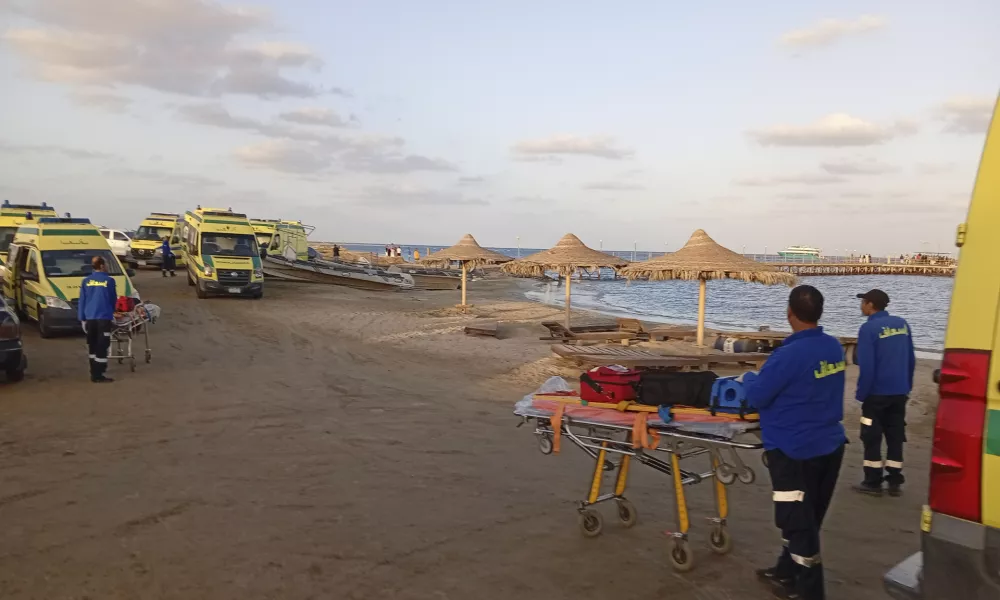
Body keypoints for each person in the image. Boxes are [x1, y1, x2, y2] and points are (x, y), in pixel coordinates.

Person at [742, 285, 846, 600]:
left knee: (797, 523)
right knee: (806, 517)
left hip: (794, 449)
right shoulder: (833, 347)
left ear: (790, 314)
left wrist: (748, 378)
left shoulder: (789, 354)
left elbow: (758, 396)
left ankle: (810, 590)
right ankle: (786, 572)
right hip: (829, 445)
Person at [854, 289, 915, 497]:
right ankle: (895, 480)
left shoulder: (868, 329)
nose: (861, 305)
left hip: (877, 393)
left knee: (871, 436)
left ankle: (872, 481)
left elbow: (867, 366)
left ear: (871, 305)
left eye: (863, 302)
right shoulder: (902, 324)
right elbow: (911, 358)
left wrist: (862, 393)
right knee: (895, 434)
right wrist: (907, 385)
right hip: (899, 391)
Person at [78, 256, 118, 383]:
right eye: (105, 264)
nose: (106, 266)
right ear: (101, 266)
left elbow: (82, 301)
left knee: (92, 345)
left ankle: (93, 371)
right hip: (103, 318)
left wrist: (82, 318)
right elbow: (113, 300)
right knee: (102, 345)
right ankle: (98, 374)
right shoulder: (109, 281)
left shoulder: (86, 281)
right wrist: (112, 313)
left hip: (90, 318)